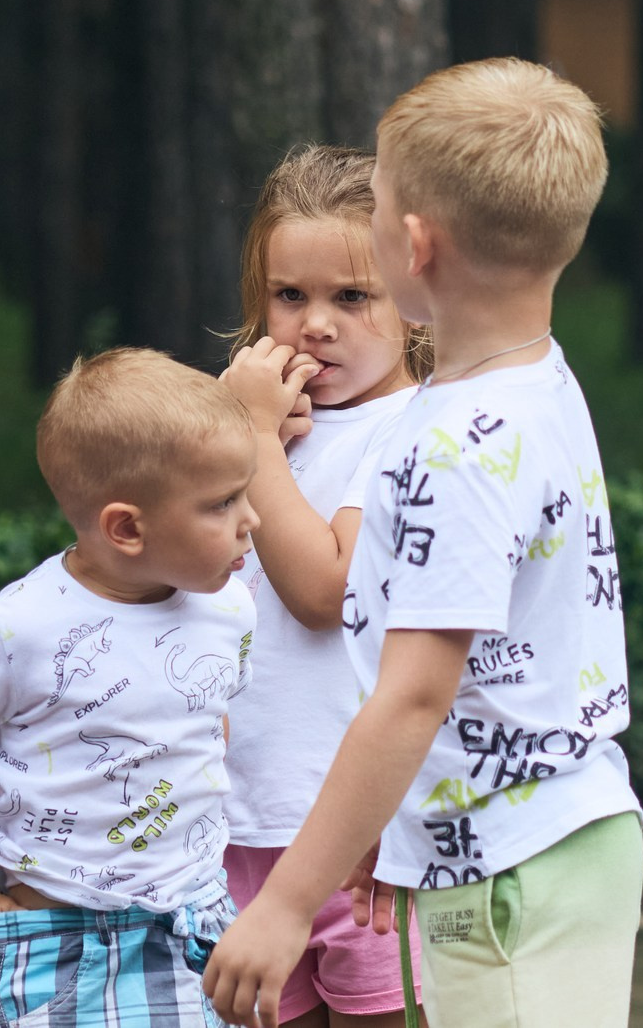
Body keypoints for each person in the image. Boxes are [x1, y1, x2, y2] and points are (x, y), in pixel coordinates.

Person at [204, 60, 643, 1028]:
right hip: (529, 839)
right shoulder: (530, 383)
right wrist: (392, 832)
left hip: (508, 870)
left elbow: (412, 694)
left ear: (409, 243)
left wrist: (283, 905)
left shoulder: (456, 448)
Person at [0, 348, 261, 1028]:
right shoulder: (22, 627)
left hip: (191, 930)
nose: (252, 519)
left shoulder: (230, 606)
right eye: (221, 503)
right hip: (53, 946)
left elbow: (208, 724)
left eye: (245, 492)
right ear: (127, 526)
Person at [213, 145, 429, 1028]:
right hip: (241, 815)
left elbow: (326, 589)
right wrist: (241, 440)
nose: (317, 324)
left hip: (357, 836)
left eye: (352, 295)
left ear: (411, 302)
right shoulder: (260, 430)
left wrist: (256, 443)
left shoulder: (412, 429)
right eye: (289, 295)